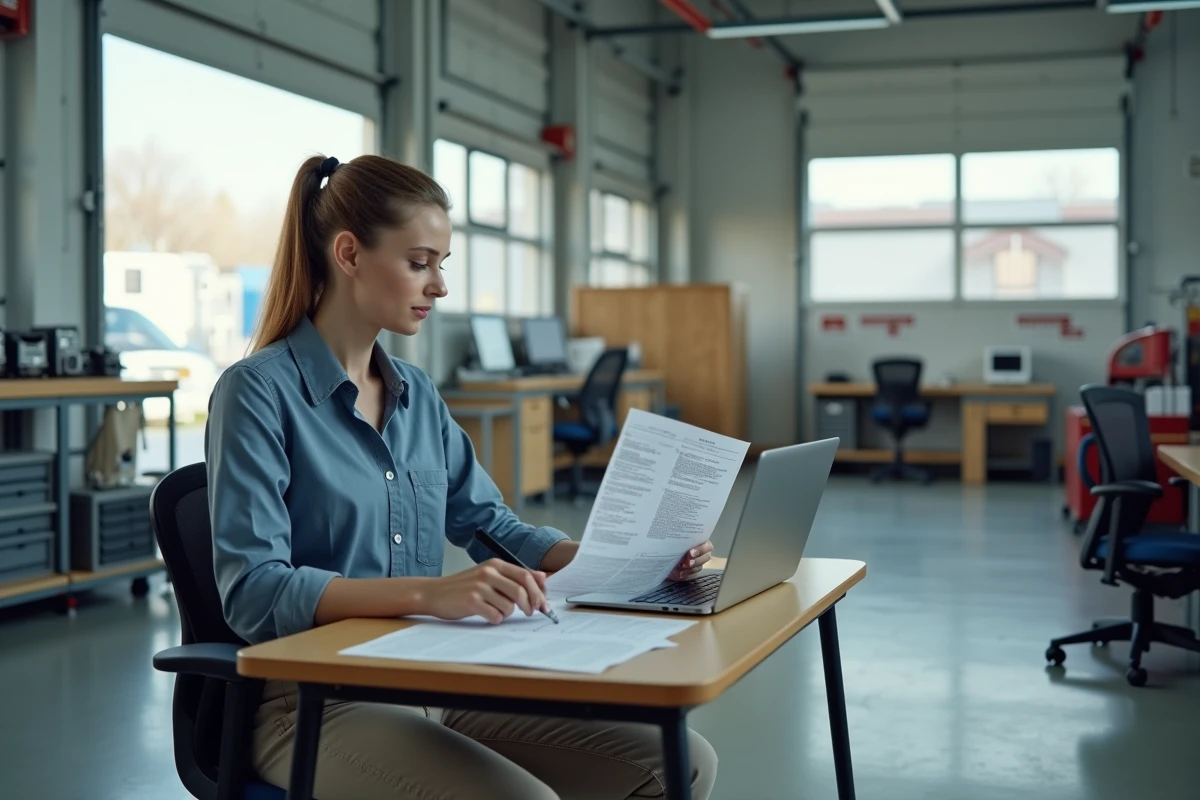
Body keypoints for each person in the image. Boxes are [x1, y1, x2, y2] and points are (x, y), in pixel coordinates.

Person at [205, 153, 718, 800]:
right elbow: (254, 592)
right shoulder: (256, 394)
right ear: (349, 254)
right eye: (420, 263)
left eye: (440, 265)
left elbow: (490, 526)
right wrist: (427, 594)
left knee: (682, 762)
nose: (439, 286)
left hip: (431, 678)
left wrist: (624, 562)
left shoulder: (416, 394)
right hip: (313, 702)